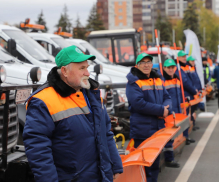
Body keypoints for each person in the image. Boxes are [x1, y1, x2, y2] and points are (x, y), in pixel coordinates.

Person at [23, 45, 123, 182]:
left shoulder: (92, 96)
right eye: (82, 68)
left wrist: (115, 165)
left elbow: (106, 133)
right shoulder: (43, 101)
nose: (87, 73)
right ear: (64, 71)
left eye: (87, 67)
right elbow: (38, 150)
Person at [126, 53, 172, 182]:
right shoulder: (133, 82)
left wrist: (166, 108)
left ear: (152, 65)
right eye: (143, 62)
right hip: (143, 130)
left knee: (155, 164)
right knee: (145, 166)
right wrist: (161, 110)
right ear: (137, 65)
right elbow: (138, 104)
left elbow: (167, 97)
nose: (146, 65)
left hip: (158, 128)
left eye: (148, 62)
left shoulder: (157, 79)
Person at [175, 50, 197, 145]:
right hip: (183, 94)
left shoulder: (184, 67)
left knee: (186, 115)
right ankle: (184, 137)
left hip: (187, 93)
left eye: (185, 56)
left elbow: (190, 80)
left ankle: (186, 136)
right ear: (178, 58)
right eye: (182, 57)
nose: (185, 58)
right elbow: (185, 82)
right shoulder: (178, 68)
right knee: (184, 116)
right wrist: (193, 90)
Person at [187, 56, 202, 131]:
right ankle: (192, 124)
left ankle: (193, 123)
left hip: (196, 91)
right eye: (191, 61)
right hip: (193, 92)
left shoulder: (193, 68)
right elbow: (191, 82)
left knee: (194, 109)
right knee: (191, 110)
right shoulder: (188, 69)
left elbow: (197, 80)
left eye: (193, 61)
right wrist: (194, 90)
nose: (193, 62)